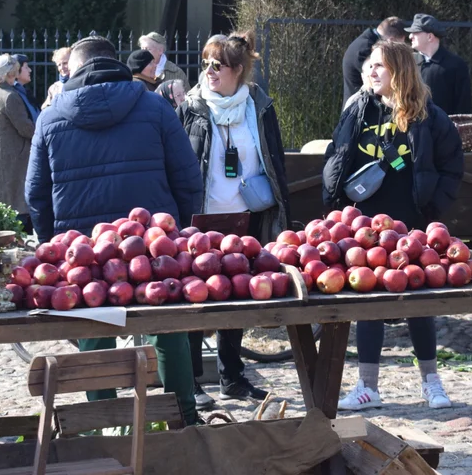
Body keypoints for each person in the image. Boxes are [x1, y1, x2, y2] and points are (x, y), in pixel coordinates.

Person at [25, 36, 203, 425]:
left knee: (93, 328)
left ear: (72, 69)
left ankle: (102, 422)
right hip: (155, 243)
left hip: (82, 251)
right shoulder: (155, 106)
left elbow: (35, 195)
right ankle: (183, 422)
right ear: (116, 63)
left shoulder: (51, 117)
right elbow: (189, 178)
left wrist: (51, 246)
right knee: (167, 324)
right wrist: (179, 231)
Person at [323, 41, 464, 411]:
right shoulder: (357, 108)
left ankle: (431, 382)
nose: (371, 72)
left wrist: (432, 208)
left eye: (379, 67)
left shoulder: (428, 116)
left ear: (400, 72)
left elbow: (452, 166)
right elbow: (337, 155)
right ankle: (368, 386)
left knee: (419, 303)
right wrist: (336, 201)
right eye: (369, 65)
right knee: (369, 302)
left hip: (411, 223)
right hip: (364, 223)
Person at [177, 33, 291, 409]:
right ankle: (193, 378)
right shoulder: (192, 106)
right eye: (206, 63)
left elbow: (273, 158)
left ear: (237, 71)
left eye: (218, 65)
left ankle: (232, 376)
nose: (209, 72)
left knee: (237, 293)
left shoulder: (258, 105)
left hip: (247, 216)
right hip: (201, 216)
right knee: (196, 296)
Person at [0, 54, 36, 234]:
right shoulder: (9, 96)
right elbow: (26, 129)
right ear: (10, 73)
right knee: (15, 204)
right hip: (13, 156)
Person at [406, 14, 472, 115]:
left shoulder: (456, 65)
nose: (410, 36)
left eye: (415, 32)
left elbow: (463, 105)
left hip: (444, 128)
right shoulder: (408, 63)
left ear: (430, 36)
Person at [341, 16, 408, 108]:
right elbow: (371, 80)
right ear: (391, 40)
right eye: (398, 46)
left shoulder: (363, 42)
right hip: (359, 109)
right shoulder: (366, 49)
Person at [13, 54, 39, 122]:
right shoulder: (12, 93)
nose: (30, 70)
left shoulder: (25, 92)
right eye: (26, 67)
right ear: (17, 71)